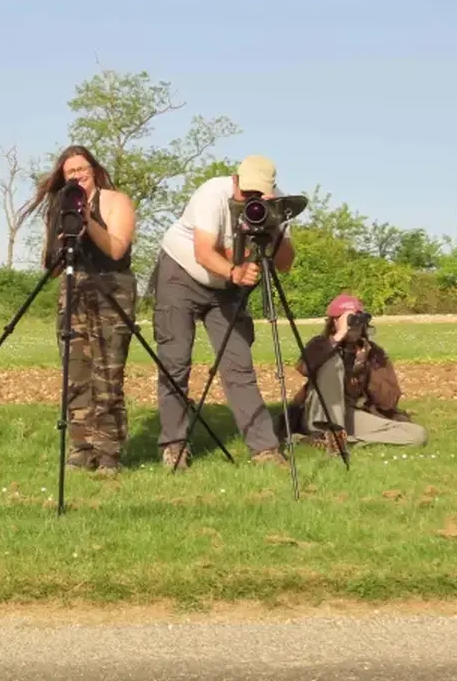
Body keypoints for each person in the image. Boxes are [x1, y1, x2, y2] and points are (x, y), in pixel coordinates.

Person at [151, 155, 293, 469]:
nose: (251, 200)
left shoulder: (275, 204)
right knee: (175, 361)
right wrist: (234, 273)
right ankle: (174, 447)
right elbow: (204, 251)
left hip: (228, 288)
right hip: (181, 275)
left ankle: (264, 450)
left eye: (260, 195)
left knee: (239, 366)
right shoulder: (212, 193)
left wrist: (273, 225)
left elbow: (285, 263)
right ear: (236, 179)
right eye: (247, 194)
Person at [18, 145, 138, 475]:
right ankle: (81, 449)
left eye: (82, 170)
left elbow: (116, 249)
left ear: (95, 170)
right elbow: (52, 267)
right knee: (75, 375)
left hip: (112, 289)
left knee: (107, 373)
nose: (77, 176)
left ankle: (109, 452)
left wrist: (88, 220)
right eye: (71, 172)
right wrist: (62, 236)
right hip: (73, 288)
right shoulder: (60, 207)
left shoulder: (115, 201)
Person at [280, 293, 426, 447]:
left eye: (358, 320)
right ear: (335, 321)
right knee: (333, 362)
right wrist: (338, 337)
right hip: (318, 413)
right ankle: (329, 434)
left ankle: (343, 443)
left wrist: (366, 367)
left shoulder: (373, 353)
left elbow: (388, 402)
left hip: (351, 413)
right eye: (349, 320)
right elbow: (304, 367)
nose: (354, 326)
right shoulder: (321, 344)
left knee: (416, 434)